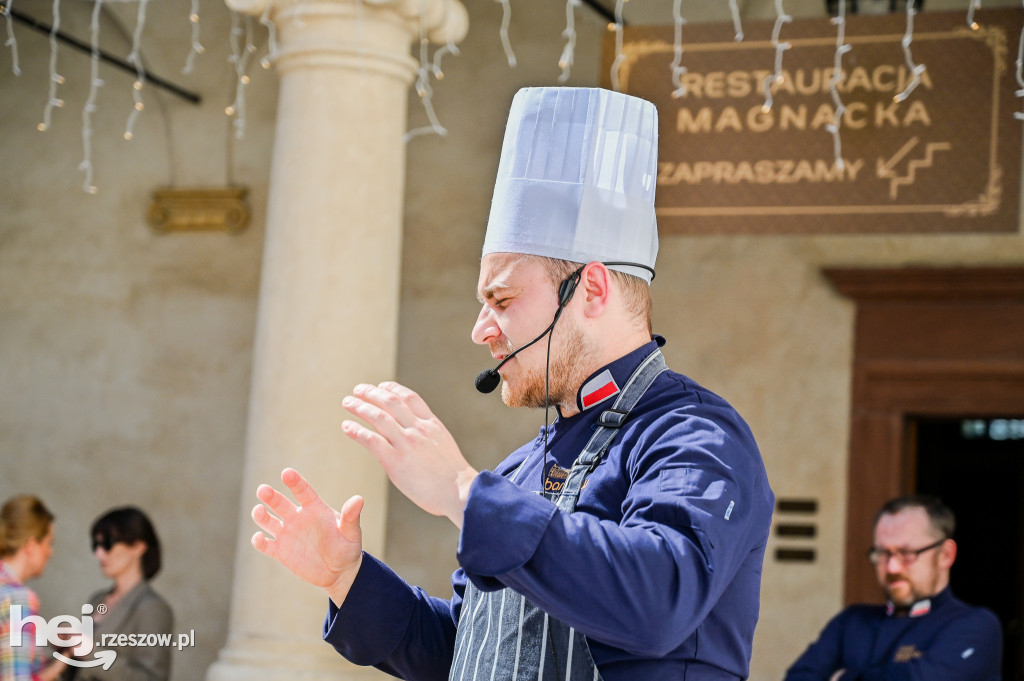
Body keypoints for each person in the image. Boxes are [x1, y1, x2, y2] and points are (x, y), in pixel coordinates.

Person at [250, 86, 775, 681]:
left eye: (501, 298)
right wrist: (347, 578)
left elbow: (659, 602)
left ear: (593, 290)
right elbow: (474, 655)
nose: (480, 330)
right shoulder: (519, 470)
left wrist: (462, 491)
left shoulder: (693, 435)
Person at [783, 495, 1002, 681]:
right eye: (882, 553)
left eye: (907, 553)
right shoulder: (851, 622)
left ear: (945, 555)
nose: (892, 566)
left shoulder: (976, 626)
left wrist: (844, 676)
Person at [73, 506, 173, 681]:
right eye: (95, 545)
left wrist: (92, 653)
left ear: (138, 547)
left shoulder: (153, 608)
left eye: (108, 544)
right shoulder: (97, 600)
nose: (99, 553)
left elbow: (152, 678)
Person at [0, 495, 66, 681]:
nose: (50, 552)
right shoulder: (17, 599)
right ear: (30, 546)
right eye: (48, 543)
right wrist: (63, 661)